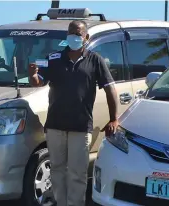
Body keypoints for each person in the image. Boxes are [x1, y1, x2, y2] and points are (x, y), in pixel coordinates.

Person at [28, 20, 120, 206]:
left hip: (80, 126)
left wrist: (114, 119)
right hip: (55, 126)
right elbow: (38, 82)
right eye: (71, 33)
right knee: (57, 171)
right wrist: (33, 74)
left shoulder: (95, 60)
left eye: (78, 34)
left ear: (86, 37)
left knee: (77, 173)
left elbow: (111, 89)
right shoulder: (54, 58)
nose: (74, 37)